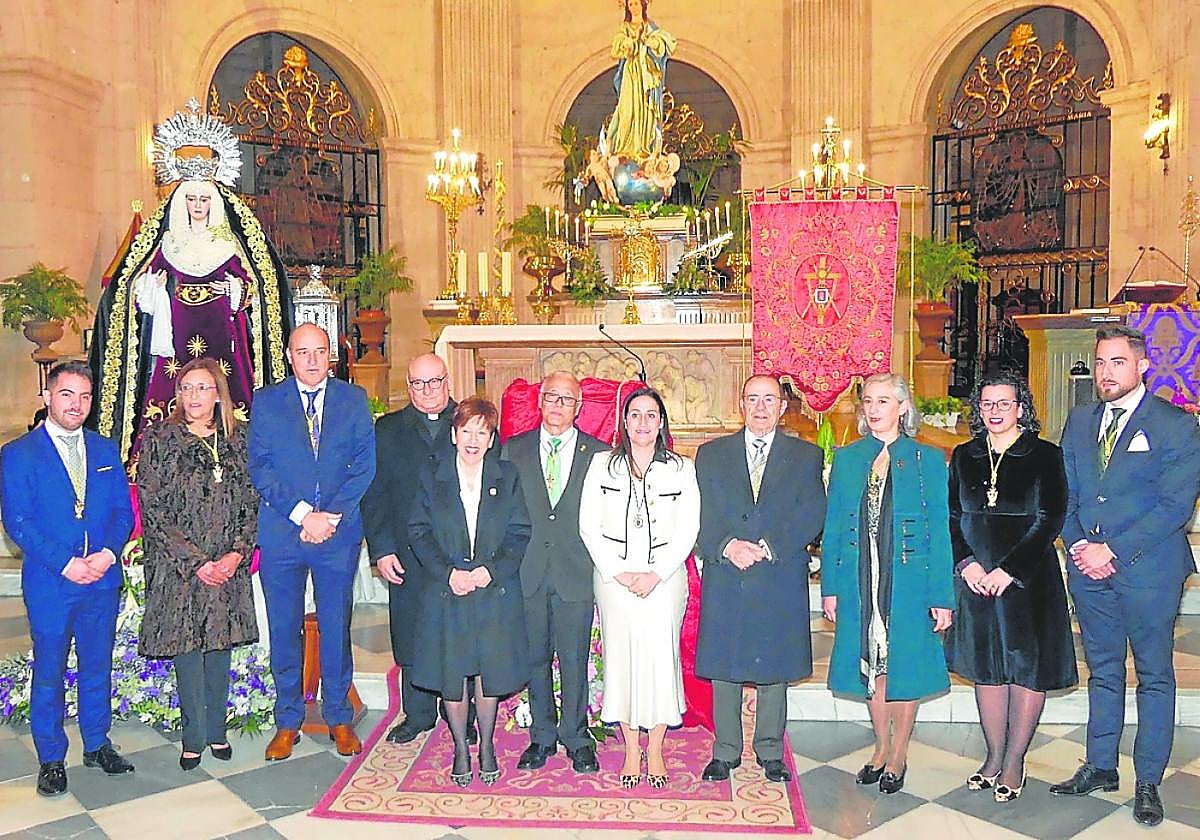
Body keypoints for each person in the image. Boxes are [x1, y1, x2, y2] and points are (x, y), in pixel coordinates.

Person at [1050, 325, 1200, 828]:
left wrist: (1110, 549)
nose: (1105, 373)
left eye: (1116, 362)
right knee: (1104, 669)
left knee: (1154, 675)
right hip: (1088, 570)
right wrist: (1076, 545)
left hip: (1149, 570)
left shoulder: (1175, 425)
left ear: (1140, 366)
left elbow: (1175, 506)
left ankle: (1149, 780)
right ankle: (1099, 765)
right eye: (1100, 363)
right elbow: (1063, 494)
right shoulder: (1079, 420)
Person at [90, 103, 293, 464]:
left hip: (223, 337)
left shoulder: (231, 245)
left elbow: (260, 288)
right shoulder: (166, 244)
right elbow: (133, 284)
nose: (197, 205)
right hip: (176, 341)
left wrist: (238, 293)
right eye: (190, 199)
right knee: (169, 397)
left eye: (203, 199)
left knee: (231, 397)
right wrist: (148, 291)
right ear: (180, 202)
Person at [0, 361, 135, 797]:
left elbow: (122, 513)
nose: (76, 405)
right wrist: (65, 563)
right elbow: (18, 522)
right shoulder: (18, 454)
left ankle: (96, 743)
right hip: (51, 583)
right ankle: (51, 757)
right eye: (66, 395)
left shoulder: (105, 450)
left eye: (84, 397)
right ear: (47, 396)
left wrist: (107, 553)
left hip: (100, 578)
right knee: (50, 670)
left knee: (98, 664)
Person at [944, 371, 1076, 802]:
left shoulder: (1044, 455)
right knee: (988, 668)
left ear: (1022, 408)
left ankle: (1015, 760)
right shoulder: (964, 455)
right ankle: (993, 755)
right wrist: (967, 564)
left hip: (1027, 579)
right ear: (978, 410)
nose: (995, 412)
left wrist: (1008, 569)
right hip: (976, 580)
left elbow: (1050, 518)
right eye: (987, 404)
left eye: (1004, 403)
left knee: (1025, 667)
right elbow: (951, 517)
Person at [821, 372, 954, 795]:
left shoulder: (927, 460)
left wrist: (941, 596)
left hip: (909, 582)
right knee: (872, 664)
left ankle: (899, 753)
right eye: (868, 401)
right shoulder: (848, 458)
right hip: (861, 579)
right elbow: (834, 527)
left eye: (883, 400)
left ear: (902, 407)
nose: (874, 408)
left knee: (903, 665)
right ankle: (879, 749)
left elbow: (940, 531)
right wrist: (831, 586)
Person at [247, 323, 375, 760]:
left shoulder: (353, 400)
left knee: (336, 625)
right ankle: (287, 720)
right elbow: (260, 468)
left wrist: (329, 517)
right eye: (303, 352)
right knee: (285, 629)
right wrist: (303, 515)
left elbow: (364, 465)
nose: (313, 360)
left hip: (337, 534)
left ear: (331, 354)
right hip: (284, 532)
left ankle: (338, 716)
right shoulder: (267, 402)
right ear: (289, 355)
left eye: (320, 351)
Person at [695, 375, 826, 784]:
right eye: (753, 399)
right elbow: (698, 512)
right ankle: (726, 749)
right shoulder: (711, 454)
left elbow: (813, 512)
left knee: (775, 666)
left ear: (783, 406)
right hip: (727, 570)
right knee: (725, 665)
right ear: (741, 404)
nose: (761, 407)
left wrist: (770, 546)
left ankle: (770, 749)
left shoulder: (805, 455)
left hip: (777, 570)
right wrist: (725, 545)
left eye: (770, 400)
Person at [136, 358, 260, 770]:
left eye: (203, 388)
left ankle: (216, 730)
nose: (193, 397)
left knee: (218, 644)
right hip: (180, 566)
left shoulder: (239, 438)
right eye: (186, 388)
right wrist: (195, 562)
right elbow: (152, 507)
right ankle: (192, 735)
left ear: (218, 393)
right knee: (187, 646)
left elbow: (251, 501)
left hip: (227, 561)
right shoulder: (159, 439)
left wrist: (234, 554)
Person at [579, 386, 700, 790]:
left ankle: (658, 747)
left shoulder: (681, 468)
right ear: (624, 421)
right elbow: (588, 525)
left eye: (651, 415)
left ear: (662, 422)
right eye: (635, 415)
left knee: (659, 663)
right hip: (614, 581)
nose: (643, 423)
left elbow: (689, 528)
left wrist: (657, 573)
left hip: (665, 582)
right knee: (623, 663)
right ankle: (632, 747)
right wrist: (618, 572)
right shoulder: (601, 465)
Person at [408, 397, 532, 787]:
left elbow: (519, 531)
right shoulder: (431, 475)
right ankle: (462, 747)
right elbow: (418, 531)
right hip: (449, 592)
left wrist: (489, 572)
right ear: (453, 434)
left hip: (491, 590)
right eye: (467, 431)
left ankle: (489, 745)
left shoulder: (507, 475)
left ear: (493, 438)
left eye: (483, 431)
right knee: (454, 671)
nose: (473, 439)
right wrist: (447, 574)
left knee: (487, 672)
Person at [501, 372, 607, 774]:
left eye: (567, 400)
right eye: (552, 397)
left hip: (575, 571)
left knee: (574, 657)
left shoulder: (599, 455)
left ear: (579, 408)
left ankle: (577, 737)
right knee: (535, 658)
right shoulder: (514, 450)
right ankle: (542, 736)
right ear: (539, 402)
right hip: (528, 571)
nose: (559, 405)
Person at [362, 352, 461, 744]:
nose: (427, 391)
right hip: (406, 552)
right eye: (418, 384)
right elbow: (375, 494)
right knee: (411, 632)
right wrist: (382, 549)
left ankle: (462, 713)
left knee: (459, 632)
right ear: (408, 386)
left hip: (458, 553)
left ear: (447, 381)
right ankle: (417, 714)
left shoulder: (472, 422)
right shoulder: (388, 430)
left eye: (434, 382)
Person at [602, 0, 677, 163]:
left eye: (636, 3)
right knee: (627, 111)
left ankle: (643, 148)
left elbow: (667, 43)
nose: (634, 7)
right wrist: (629, 43)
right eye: (630, 5)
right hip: (631, 74)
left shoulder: (651, 27)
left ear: (643, 5)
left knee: (646, 111)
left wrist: (651, 42)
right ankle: (625, 148)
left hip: (647, 76)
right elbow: (616, 48)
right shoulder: (625, 28)